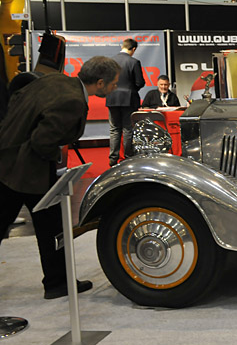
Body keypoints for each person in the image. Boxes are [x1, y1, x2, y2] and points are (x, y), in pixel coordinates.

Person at [0, 56, 120, 299]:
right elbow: (42, 142)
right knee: (51, 227)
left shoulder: (55, 82)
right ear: (100, 83)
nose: (115, 87)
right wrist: (55, 157)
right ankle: (57, 282)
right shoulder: (72, 100)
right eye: (114, 83)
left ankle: (58, 282)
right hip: (25, 170)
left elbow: (15, 100)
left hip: (11, 160)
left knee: (50, 225)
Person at [106, 38, 145, 166]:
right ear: (133, 49)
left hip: (112, 98)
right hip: (129, 99)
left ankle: (113, 158)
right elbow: (139, 82)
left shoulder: (110, 61)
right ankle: (128, 157)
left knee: (114, 129)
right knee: (128, 129)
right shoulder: (133, 62)